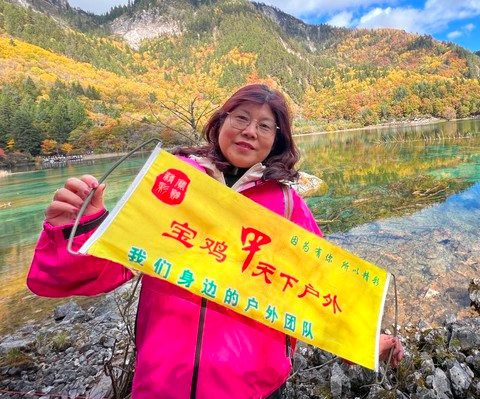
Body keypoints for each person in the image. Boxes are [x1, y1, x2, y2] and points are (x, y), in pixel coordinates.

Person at [27, 84, 404, 399]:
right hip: (163, 381)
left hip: (253, 386)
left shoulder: (287, 205)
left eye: (265, 126)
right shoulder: (173, 184)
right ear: (220, 121)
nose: (250, 131)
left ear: (276, 140)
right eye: (240, 118)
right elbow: (99, 271)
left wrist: (367, 342)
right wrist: (81, 226)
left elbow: (319, 287)